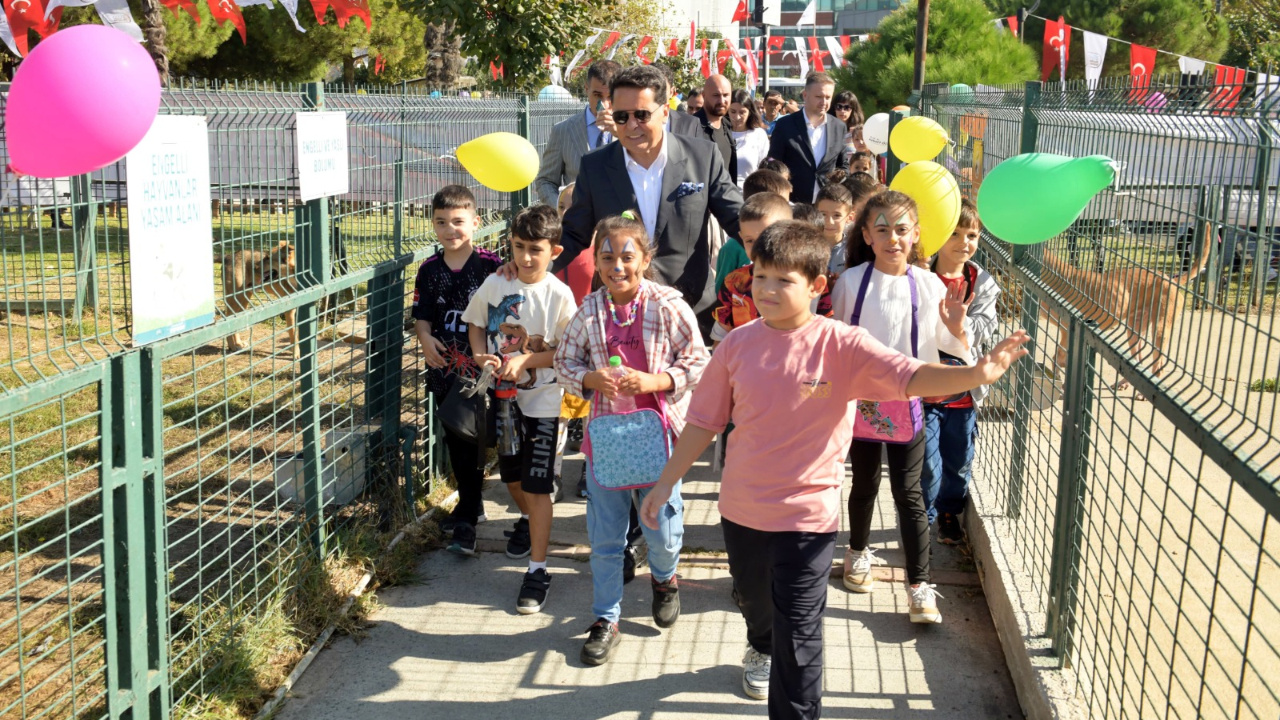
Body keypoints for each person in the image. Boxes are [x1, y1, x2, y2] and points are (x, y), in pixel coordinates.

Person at [640, 222, 1028, 717]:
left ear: (818, 286)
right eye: (760, 278)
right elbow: (702, 423)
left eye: (784, 280)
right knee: (758, 610)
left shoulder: (843, 345)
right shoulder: (737, 347)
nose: (768, 290)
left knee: (800, 637)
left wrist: (973, 373)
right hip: (742, 513)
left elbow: (909, 375)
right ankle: (759, 642)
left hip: (808, 519)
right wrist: (665, 482)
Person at [554, 213, 710, 666]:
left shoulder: (668, 305)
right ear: (597, 262)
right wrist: (589, 378)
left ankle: (664, 577)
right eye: (607, 257)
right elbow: (564, 363)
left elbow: (698, 361)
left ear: (645, 258)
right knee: (605, 537)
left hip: (661, 440)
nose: (616, 266)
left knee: (663, 529)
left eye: (626, 256)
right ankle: (605, 618)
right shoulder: (589, 310)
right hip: (607, 441)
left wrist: (657, 380)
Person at [830, 190, 973, 624]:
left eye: (902, 229)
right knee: (865, 482)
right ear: (868, 236)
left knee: (909, 493)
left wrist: (956, 326)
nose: (894, 238)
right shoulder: (852, 282)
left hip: (908, 403)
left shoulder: (929, 285)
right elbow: (836, 340)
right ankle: (857, 552)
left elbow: (952, 350)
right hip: (861, 403)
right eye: (883, 230)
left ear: (916, 235)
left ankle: (920, 587)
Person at [550, 65, 743, 320]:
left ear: (664, 112)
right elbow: (574, 235)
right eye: (621, 117)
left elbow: (738, 218)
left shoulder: (702, 157)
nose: (631, 125)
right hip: (617, 315)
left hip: (689, 311)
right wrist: (532, 265)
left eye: (641, 115)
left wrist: (781, 255)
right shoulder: (594, 166)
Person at [462, 205, 577, 615]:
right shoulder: (496, 283)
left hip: (545, 404)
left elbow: (568, 351)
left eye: (536, 249)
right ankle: (531, 524)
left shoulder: (560, 295)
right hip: (503, 402)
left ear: (555, 251)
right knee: (512, 481)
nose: (526, 257)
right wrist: (480, 356)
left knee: (537, 485)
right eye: (519, 247)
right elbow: (476, 322)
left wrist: (526, 362)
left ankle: (538, 569)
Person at [412, 185, 503, 554]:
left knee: (473, 439)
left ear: (476, 222)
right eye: (442, 222)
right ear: (433, 225)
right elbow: (421, 316)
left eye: (459, 221)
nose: (451, 229)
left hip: (479, 370)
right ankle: (471, 503)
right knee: (453, 436)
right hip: (442, 367)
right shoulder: (429, 269)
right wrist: (424, 338)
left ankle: (466, 516)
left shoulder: (491, 267)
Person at [922, 199, 1001, 545]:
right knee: (926, 456)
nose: (963, 242)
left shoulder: (980, 281)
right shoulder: (920, 274)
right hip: (923, 384)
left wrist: (960, 323)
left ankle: (950, 512)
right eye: (954, 233)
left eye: (971, 234)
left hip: (965, 391)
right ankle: (922, 516)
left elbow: (986, 326)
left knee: (958, 459)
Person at [535, 60, 622, 207]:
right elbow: (545, 181)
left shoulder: (632, 129)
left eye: (610, 97)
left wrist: (620, 132)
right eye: (597, 95)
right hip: (579, 222)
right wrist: (561, 208)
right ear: (586, 88)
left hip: (620, 222)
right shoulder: (563, 131)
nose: (604, 104)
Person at [711, 193, 793, 343]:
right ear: (741, 238)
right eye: (750, 241)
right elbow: (720, 340)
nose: (759, 247)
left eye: (766, 237)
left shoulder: (806, 280)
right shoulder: (733, 282)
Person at [768, 72, 850, 204]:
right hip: (793, 203)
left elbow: (843, 165)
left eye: (828, 97)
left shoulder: (838, 127)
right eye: (819, 96)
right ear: (805, 95)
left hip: (826, 205)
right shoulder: (785, 125)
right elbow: (774, 164)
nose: (824, 102)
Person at [693, 75, 738, 184]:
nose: (722, 100)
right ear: (704, 96)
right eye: (716, 95)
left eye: (726, 95)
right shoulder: (691, 126)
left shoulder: (727, 126)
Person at [728, 89, 770, 186]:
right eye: (733, 111)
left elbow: (763, 169)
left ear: (750, 112)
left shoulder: (759, 135)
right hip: (723, 194)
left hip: (749, 194)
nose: (737, 117)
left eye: (742, 112)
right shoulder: (720, 132)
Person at [814, 183, 854, 276]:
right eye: (823, 214)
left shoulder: (853, 250)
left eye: (837, 215)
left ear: (849, 217)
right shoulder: (806, 247)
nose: (830, 221)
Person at [830, 90, 865, 155]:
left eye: (847, 107)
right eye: (839, 106)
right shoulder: (826, 130)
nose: (842, 111)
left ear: (853, 110)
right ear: (834, 108)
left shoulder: (860, 132)